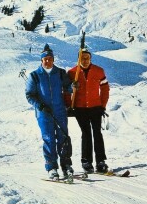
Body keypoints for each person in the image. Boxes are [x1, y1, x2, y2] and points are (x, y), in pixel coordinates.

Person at [25, 44, 74, 180]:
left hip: (59, 111)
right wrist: (40, 106)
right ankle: (52, 167)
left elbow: (67, 87)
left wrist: (73, 86)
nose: (47, 61)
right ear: (41, 61)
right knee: (49, 139)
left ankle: (66, 165)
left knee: (63, 138)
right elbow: (29, 95)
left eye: (50, 59)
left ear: (53, 60)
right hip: (44, 113)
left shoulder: (60, 73)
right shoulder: (35, 76)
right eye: (45, 59)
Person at [67, 48, 110, 173]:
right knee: (86, 133)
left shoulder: (99, 71)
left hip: (96, 107)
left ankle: (100, 161)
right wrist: (69, 105)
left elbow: (105, 89)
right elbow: (66, 91)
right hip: (80, 109)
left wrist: (103, 105)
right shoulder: (72, 73)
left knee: (97, 133)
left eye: (87, 58)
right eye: (82, 58)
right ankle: (86, 161)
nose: (85, 60)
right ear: (78, 59)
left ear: (90, 58)